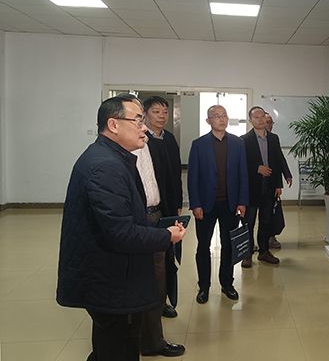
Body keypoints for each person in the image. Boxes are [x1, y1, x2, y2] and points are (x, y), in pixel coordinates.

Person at [56, 96, 186, 361]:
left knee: (108, 345)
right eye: (138, 120)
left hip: (113, 276)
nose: (144, 127)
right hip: (111, 281)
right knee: (118, 346)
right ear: (113, 125)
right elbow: (121, 232)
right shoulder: (106, 166)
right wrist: (166, 235)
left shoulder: (112, 157)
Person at [188, 105, 249, 304]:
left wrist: (242, 201)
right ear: (208, 121)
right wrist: (195, 204)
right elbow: (192, 177)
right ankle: (203, 287)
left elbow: (243, 174)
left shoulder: (238, 143)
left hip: (230, 204)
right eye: (216, 116)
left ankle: (227, 284)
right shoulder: (199, 144)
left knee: (228, 245)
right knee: (203, 246)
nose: (221, 119)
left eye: (224, 115)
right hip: (205, 205)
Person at [142, 96, 183, 319]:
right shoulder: (141, 141)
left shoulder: (169, 139)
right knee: (149, 258)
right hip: (149, 208)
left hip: (168, 207)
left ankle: (163, 300)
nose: (161, 116)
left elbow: (176, 175)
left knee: (167, 257)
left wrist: (178, 203)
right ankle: (148, 302)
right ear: (145, 114)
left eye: (165, 112)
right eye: (156, 112)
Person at [241, 106, 284, 267]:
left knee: (266, 221)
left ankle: (264, 252)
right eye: (256, 117)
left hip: (269, 187)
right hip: (251, 188)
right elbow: (240, 164)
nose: (260, 120)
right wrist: (256, 168)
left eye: (262, 117)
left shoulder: (273, 138)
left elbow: (277, 161)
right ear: (250, 120)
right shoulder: (244, 140)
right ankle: (247, 254)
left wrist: (279, 184)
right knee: (249, 223)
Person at [264, 112, 293, 249]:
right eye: (267, 121)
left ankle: (271, 237)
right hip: (254, 184)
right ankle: (249, 244)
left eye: (271, 122)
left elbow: (280, 159)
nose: (269, 125)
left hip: (271, 183)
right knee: (251, 217)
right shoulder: (247, 139)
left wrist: (287, 175)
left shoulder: (274, 138)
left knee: (271, 212)